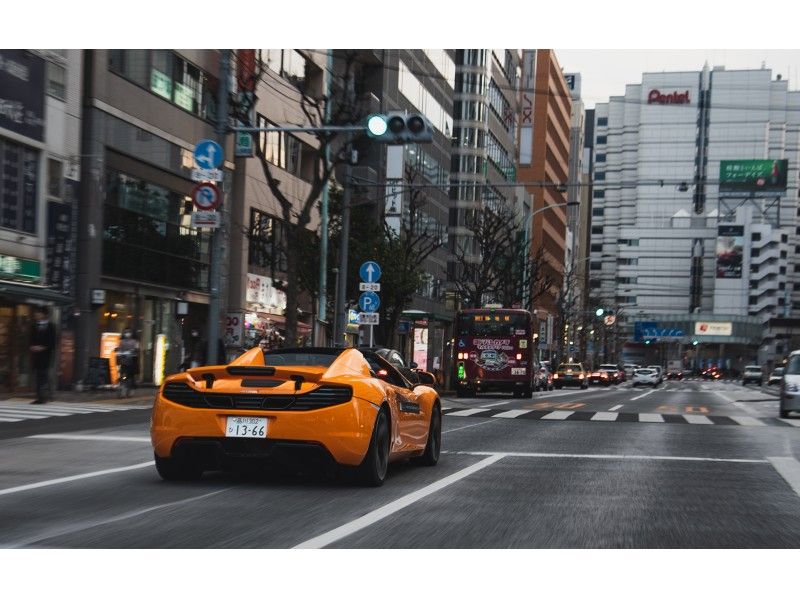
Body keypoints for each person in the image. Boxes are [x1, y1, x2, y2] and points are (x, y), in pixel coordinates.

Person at [29, 306, 56, 404]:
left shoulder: (51, 326)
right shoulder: (34, 326)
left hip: (46, 356)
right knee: (38, 376)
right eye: (36, 313)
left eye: (38, 313)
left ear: (44, 315)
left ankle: (43, 397)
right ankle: (40, 397)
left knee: (43, 376)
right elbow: (30, 340)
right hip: (36, 356)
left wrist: (42, 347)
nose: (36, 315)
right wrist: (32, 347)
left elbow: (52, 343)